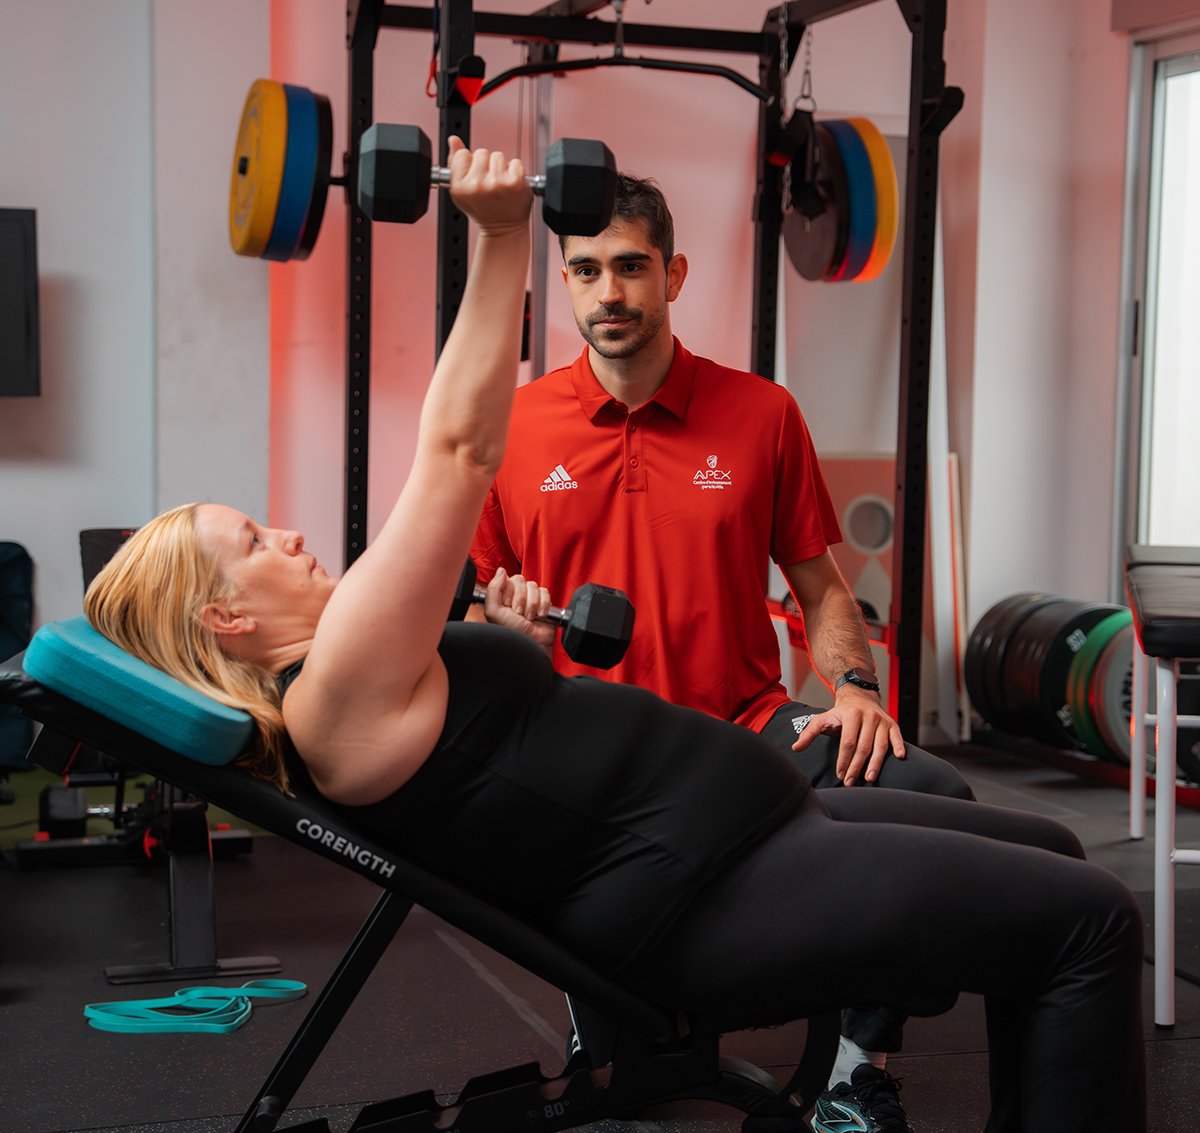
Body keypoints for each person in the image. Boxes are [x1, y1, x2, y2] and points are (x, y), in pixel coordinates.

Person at [83, 141, 1146, 1133]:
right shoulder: (331, 686)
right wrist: (501, 235)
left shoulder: (361, 671)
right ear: (226, 617)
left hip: (744, 819)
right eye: (257, 539)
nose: (294, 530)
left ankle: (868, 1063)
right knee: (1091, 919)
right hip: (710, 883)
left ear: (672, 275)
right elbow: (457, 448)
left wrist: (501, 623)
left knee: (1053, 854)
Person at [467, 171, 970, 1125]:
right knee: (622, 1078)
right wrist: (508, 621)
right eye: (585, 270)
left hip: (747, 727)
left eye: (629, 267)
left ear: (675, 273)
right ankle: (600, 1014)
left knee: (931, 799)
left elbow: (819, 584)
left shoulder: (761, 412)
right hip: (591, 752)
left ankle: (856, 1070)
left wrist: (857, 688)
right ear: (563, 283)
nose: (608, 292)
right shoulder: (511, 425)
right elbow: (474, 609)